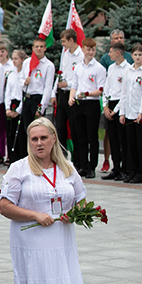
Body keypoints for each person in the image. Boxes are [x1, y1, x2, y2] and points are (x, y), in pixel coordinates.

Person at [0, 117, 89, 284]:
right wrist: (34, 215)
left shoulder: (67, 168)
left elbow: (82, 200)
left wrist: (73, 214)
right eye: (34, 139)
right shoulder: (19, 169)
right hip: (31, 243)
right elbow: (4, 206)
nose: (39, 143)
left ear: (54, 139)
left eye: (43, 138)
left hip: (60, 242)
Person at [67, 38, 105, 178]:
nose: (90, 52)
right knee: (80, 136)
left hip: (91, 103)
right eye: (88, 49)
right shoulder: (78, 67)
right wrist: (72, 97)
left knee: (92, 136)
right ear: (83, 49)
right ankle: (82, 165)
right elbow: (74, 86)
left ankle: (91, 166)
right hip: (79, 103)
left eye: (93, 50)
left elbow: (100, 90)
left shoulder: (99, 68)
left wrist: (87, 94)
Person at [114, 44, 142, 183]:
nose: (137, 57)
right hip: (129, 111)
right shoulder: (128, 71)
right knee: (130, 144)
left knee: (141, 144)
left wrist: (141, 112)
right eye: (135, 55)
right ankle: (132, 170)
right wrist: (122, 112)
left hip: (139, 112)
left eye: (140, 55)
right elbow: (124, 93)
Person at [101, 42, 130, 181]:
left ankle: (125, 168)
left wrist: (116, 110)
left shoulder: (127, 69)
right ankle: (116, 167)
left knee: (122, 138)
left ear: (118, 53)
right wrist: (105, 106)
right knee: (112, 138)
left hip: (121, 104)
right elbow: (106, 88)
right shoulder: (111, 68)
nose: (109, 54)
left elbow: (125, 92)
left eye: (111, 51)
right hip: (111, 103)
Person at [53, 30, 83, 162]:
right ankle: (62, 156)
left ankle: (77, 159)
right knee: (59, 126)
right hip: (62, 94)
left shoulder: (80, 55)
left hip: (73, 93)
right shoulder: (65, 53)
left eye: (64, 41)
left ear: (71, 40)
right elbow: (61, 72)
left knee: (75, 127)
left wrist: (68, 83)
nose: (62, 44)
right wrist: (54, 91)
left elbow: (80, 77)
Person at [20, 38, 55, 129]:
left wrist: (41, 108)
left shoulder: (49, 65)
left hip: (38, 99)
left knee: (37, 128)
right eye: (36, 46)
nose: (39, 49)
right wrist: (24, 82)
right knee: (26, 128)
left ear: (45, 48)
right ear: (33, 48)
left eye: (41, 46)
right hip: (27, 97)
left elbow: (48, 88)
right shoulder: (27, 62)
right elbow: (20, 79)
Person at [3, 50, 28, 163]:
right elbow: (8, 91)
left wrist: (18, 110)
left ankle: (22, 157)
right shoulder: (11, 74)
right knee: (10, 133)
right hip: (12, 103)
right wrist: (7, 108)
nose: (14, 61)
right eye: (12, 58)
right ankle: (12, 157)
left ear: (22, 60)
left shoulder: (25, 75)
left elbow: (24, 93)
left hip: (20, 105)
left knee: (21, 134)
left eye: (16, 59)